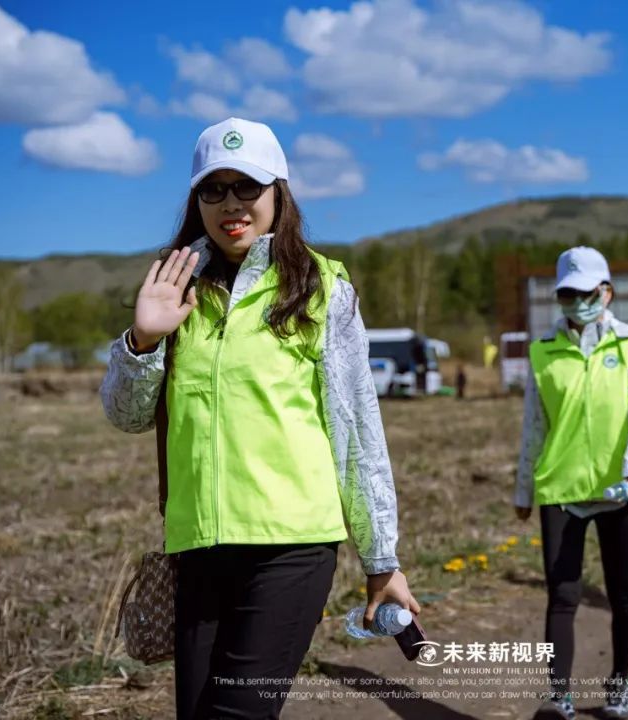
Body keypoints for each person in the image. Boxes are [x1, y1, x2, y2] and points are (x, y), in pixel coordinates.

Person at [100, 117, 419, 719]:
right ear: (196, 199)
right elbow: (125, 415)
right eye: (213, 189)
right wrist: (143, 340)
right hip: (197, 546)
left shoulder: (320, 288)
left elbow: (357, 429)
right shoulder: (175, 287)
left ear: (279, 191)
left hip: (290, 548)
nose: (231, 205)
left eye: (247, 187)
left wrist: (382, 561)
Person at [515, 246, 628, 720]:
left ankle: (619, 685)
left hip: (622, 489)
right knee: (562, 595)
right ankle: (559, 696)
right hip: (562, 489)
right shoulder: (543, 351)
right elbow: (533, 426)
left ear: (606, 292)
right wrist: (523, 489)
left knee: (622, 593)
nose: (576, 301)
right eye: (567, 294)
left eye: (585, 292)